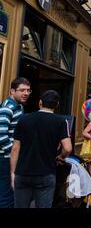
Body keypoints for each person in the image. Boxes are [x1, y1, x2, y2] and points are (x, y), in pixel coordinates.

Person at [10, 90, 72, 208]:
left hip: (23, 172)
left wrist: (13, 172)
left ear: (40, 102)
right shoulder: (61, 121)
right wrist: (61, 157)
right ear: (57, 105)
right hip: (46, 173)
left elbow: (15, 148)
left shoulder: (24, 119)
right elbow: (68, 148)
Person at [0, 78, 30, 208]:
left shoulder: (19, 107)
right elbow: (1, 136)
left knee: (12, 192)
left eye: (28, 90)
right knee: (6, 195)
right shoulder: (8, 108)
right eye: (22, 90)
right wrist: (13, 153)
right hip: (5, 159)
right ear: (12, 91)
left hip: (11, 157)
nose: (26, 93)